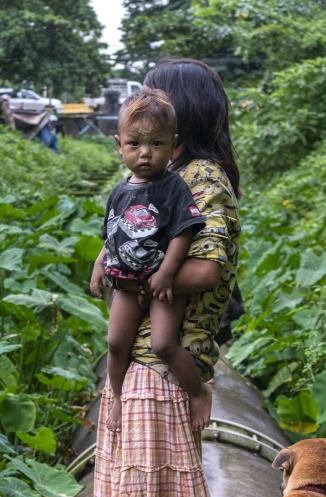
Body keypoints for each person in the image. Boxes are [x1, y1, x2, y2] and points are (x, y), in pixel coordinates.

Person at [85, 58, 241, 497]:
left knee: (155, 496)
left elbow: (210, 266)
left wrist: (139, 268)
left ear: (182, 113)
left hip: (162, 360)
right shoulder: (154, 179)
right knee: (133, 488)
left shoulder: (200, 180)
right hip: (142, 358)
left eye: (158, 97)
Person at [90, 88, 210, 434]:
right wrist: (100, 264)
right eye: (134, 144)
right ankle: (115, 398)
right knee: (115, 343)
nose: (145, 154)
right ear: (119, 145)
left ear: (173, 145)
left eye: (156, 144)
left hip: (160, 286)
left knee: (162, 344)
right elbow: (113, 233)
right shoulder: (120, 190)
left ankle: (198, 392)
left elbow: (183, 232)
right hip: (125, 284)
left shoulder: (172, 187)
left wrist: (167, 274)